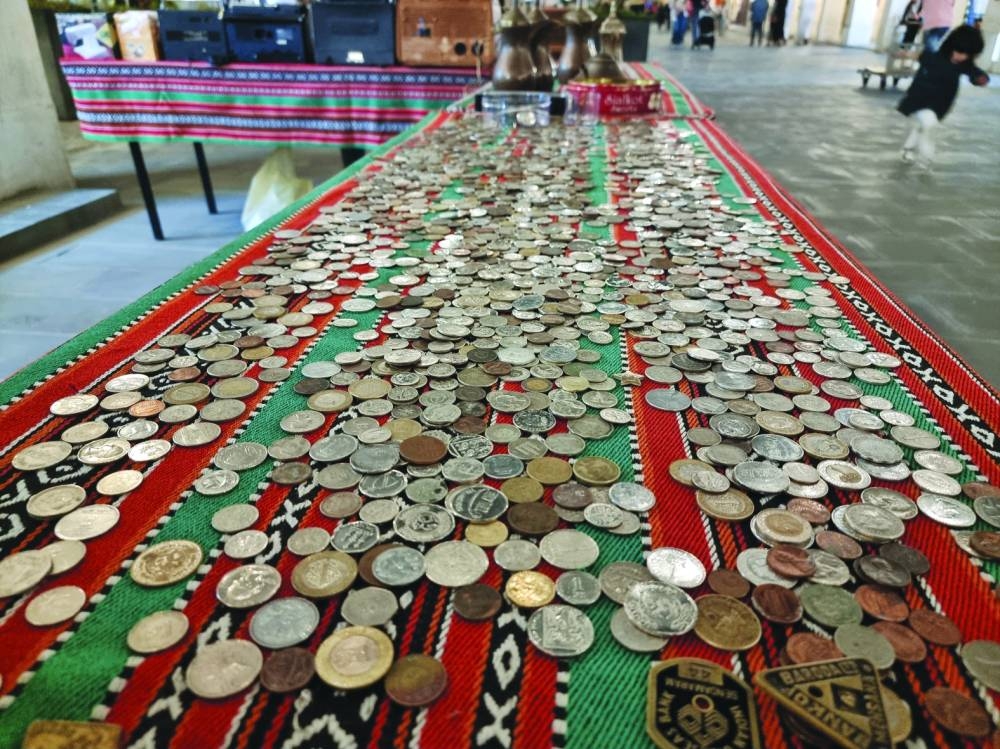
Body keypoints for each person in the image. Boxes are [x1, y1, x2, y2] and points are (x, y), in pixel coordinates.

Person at [898, 25, 989, 167]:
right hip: (919, 97)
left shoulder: (964, 64)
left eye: (967, 54)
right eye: (959, 51)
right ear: (951, 45)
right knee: (928, 124)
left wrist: (981, 78)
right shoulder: (934, 56)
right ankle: (926, 158)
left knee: (923, 125)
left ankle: (908, 149)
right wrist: (905, 54)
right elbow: (919, 55)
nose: (961, 56)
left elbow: (975, 73)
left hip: (941, 103)